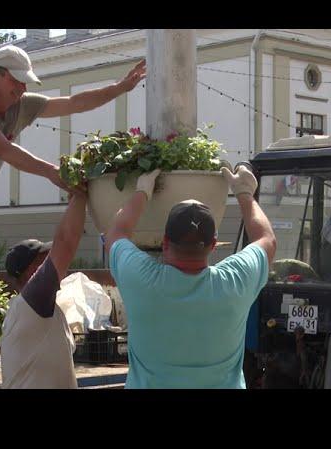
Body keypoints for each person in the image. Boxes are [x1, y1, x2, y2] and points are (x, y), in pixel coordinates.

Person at [0, 44, 145, 389]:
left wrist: (119, 88)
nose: (21, 89)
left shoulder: (22, 106)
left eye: (24, 82)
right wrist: (52, 172)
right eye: (16, 81)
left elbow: (75, 103)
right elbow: (3, 149)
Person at [103, 166, 276, 389]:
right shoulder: (234, 281)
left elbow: (116, 233)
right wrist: (244, 193)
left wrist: (142, 192)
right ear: (213, 245)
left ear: (165, 242)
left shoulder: (141, 279)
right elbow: (266, 239)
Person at [0, 191, 87, 389]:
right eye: (45, 260)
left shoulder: (43, 308)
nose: (53, 262)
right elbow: (65, 241)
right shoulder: (30, 304)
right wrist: (80, 193)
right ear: (33, 272)